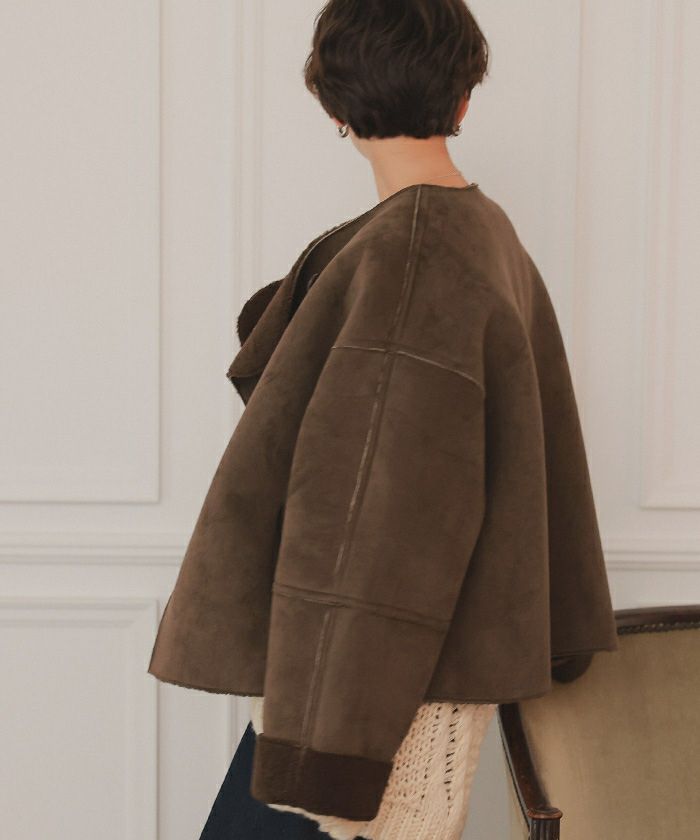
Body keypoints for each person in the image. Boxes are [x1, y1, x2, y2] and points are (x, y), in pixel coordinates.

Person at [148, 2, 619, 838]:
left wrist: (329, 745)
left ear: (331, 104)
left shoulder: (411, 256)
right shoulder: (481, 231)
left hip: (363, 698)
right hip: (398, 675)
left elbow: (370, 526)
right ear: (463, 98)